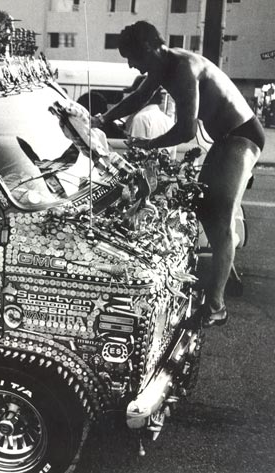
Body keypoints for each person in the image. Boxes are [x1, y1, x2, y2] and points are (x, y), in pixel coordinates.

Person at [91, 21, 264, 328]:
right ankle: (214, 285)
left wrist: (149, 144)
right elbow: (138, 98)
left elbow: (185, 130)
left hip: (242, 136)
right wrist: (104, 116)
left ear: (148, 49)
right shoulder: (163, 65)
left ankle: (216, 307)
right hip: (226, 137)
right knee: (204, 208)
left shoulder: (183, 67)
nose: (132, 66)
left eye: (132, 57)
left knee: (220, 217)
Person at [123, 75, 176, 159]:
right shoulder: (169, 121)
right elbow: (172, 157)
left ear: (143, 96)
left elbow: (136, 155)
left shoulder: (140, 118)